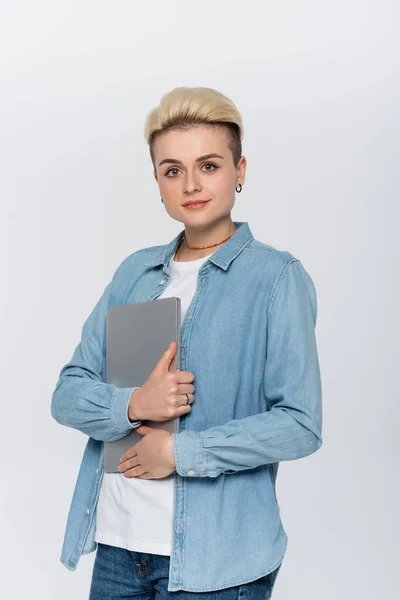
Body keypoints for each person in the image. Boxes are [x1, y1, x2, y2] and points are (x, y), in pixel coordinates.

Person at [51, 86, 323, 599]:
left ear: (240, 171)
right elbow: (68, 392)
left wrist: (182, 451)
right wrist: (134, 403)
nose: (191, 184)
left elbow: (300, 425)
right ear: (157, 181)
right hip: (116, 547)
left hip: (215, 563)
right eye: (173, 170)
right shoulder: (135, 271)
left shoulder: (276, 278)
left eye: (210, 166)